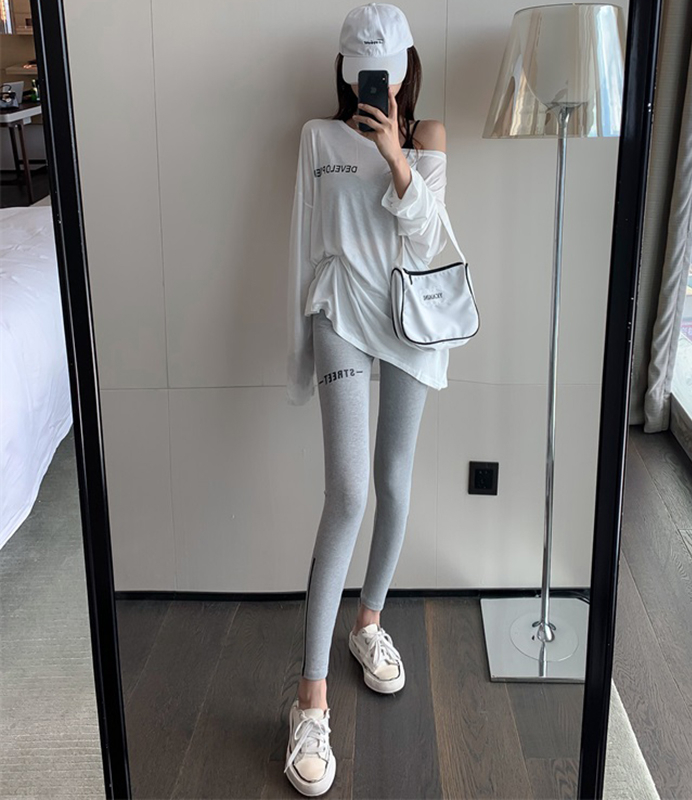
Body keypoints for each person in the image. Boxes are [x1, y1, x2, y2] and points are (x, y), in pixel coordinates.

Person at [284, 4, 450, 795]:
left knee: (393, 480)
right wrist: (295, 349)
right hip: (339, 314)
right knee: (348, 493)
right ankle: (310, 700)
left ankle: (369, 623)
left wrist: (395, 155)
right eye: (361, 74)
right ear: (346, 73)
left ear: (406, 68)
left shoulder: (429, 137)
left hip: (411, 316)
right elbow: (300, 242)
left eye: (383, 72)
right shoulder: (317, 139)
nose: (372, 85)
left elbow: (430, 238)